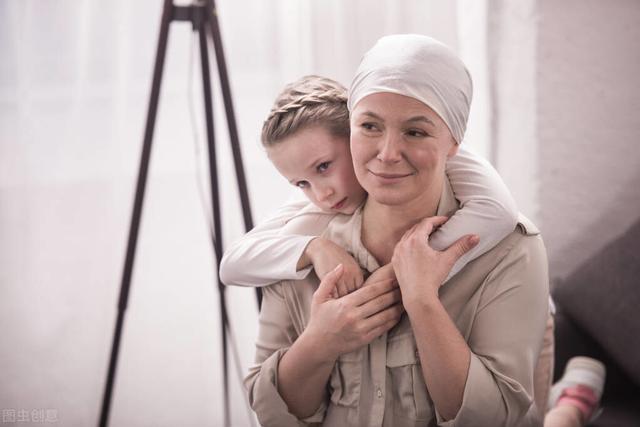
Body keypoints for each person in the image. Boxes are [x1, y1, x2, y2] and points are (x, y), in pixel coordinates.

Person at [243, 34, 551, 426]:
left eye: (416, 132)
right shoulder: (299, 244)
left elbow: (493, 418)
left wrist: (422, 302)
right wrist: (321, 342)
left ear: (453, 142)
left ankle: (573, 404)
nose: (388, 153)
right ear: (349, 128)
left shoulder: (511, 251)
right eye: (370, 126)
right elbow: (270, 414)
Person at [220, 75, 519, 298]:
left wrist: (393, 275)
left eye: (324, 167)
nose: (321, 194)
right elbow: (232, 265)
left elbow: (499, 212)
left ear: (356, 135)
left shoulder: (434, 154)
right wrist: (315, 247)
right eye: (301, 183)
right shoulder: (319, 206)